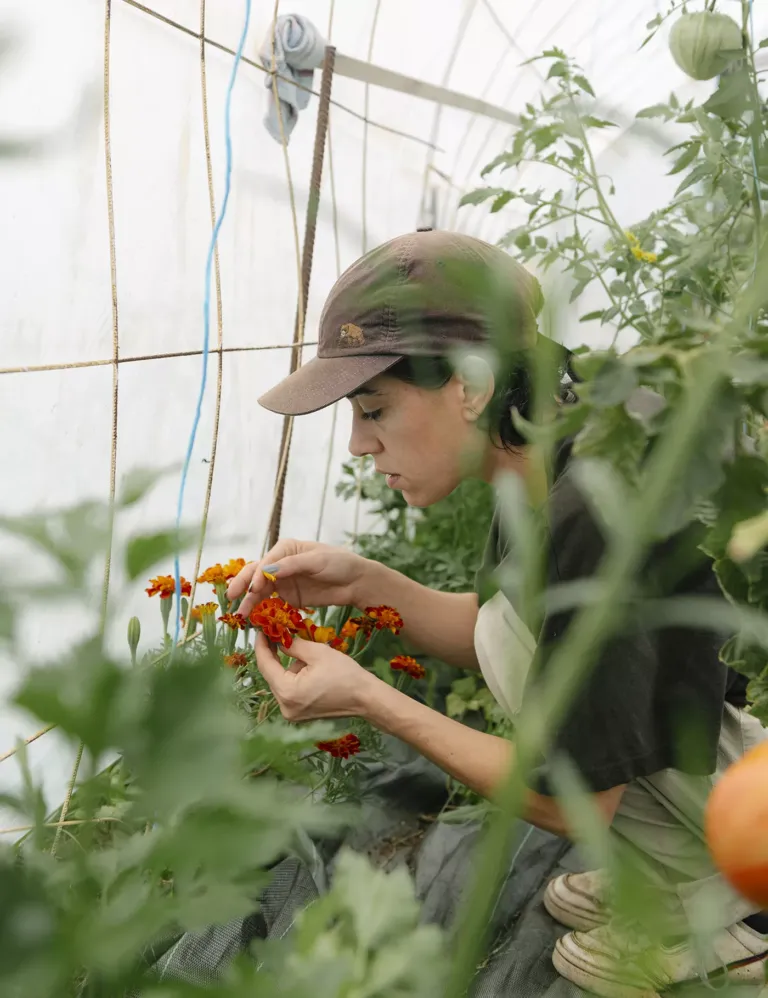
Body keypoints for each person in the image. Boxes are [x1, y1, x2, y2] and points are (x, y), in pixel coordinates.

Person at [229, 229, 767, 998]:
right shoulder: (546, 430)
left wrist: (371, 699)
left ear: (471, 387)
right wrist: (365, 583)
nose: (356, 444)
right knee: (503, 625)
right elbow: (503, 635)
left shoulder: (599, 503)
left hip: (741, 792)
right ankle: (676, 865)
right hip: (707, 750)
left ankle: (718, 910)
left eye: (374, 408)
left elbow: (564, 798)